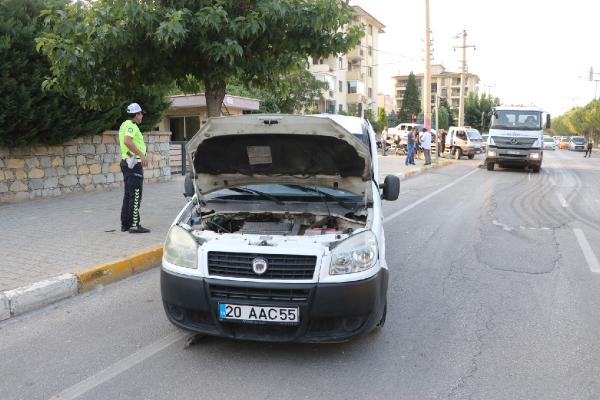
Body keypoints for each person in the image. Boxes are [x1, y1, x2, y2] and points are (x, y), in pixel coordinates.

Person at [119, 103, 151, 233]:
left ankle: (125, 224)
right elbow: (127, 141)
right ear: (136, 114)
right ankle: (134, 225)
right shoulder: (131, 126)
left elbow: (124, 144)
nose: (142, 116)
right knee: (136, 194)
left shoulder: (123, 125)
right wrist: (141, 155)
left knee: (128, 194)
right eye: (140, 113)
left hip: (127, 162)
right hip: (133, 164)